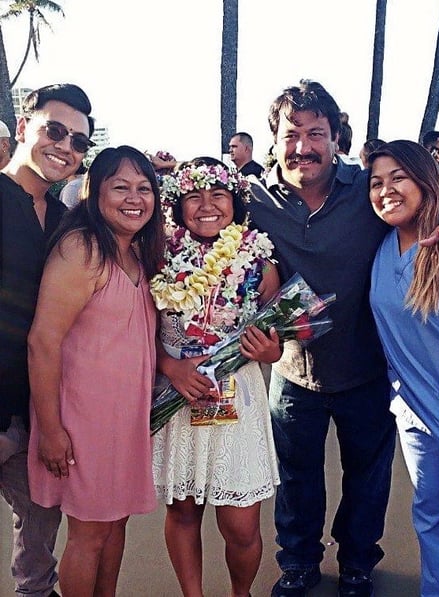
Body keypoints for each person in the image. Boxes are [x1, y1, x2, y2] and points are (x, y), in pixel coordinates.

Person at [249, 80, 439, 597]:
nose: (304, 146)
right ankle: (297, 563)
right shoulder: (251, 199)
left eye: (316, 133)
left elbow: (431, 196)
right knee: (296, 479)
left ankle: (359, 563)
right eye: (292, 134)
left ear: (335, 138)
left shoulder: (366, 188)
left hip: (369, 370)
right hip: (293, 368)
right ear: (274, 140)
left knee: (368, 478)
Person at [27, 145, 165, 596]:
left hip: (124, 421)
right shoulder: (82, 248)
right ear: (94, 193)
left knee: (114, 524)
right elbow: (42, 341)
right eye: (120, 186)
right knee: (88, 537)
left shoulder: (137, 251)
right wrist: (51, 429)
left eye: (144, 188)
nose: (134, 198)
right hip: (82, 422)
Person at [151, 156, 281, 597]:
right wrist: (170, 367)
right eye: (194, 196)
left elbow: (277, 338)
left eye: (218, 194)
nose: (206, 205)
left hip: (237, 401)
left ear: (235, 202)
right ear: (178, 204)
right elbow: (132, 330)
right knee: (183, 512)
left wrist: (272, 349)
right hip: (178, 398)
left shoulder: (259, 261)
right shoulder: (155, 255)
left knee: (241, 525)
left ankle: (240, 594)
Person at [0, 83, 94, 597]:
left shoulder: (64, 221)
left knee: (40, 524)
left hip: (33, 413)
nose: (65, 146)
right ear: (23, 127)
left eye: (79, 141)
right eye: (54, 130)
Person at [369, 140, 439, 597]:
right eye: (377, 183)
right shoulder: (379, 247)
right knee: (429, 515)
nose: (386, 190)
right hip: (413, 412)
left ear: (425, 179)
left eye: (398, 177)